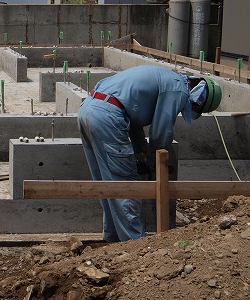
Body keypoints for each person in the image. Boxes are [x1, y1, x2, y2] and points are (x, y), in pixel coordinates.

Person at [78, 65, 222, 242]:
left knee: (106, 180)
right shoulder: (178, 89)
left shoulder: (165, 78)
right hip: (107, 116)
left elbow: (133, 121)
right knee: (125, 182)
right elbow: (161, 131)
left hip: (89, 108)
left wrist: (142, 153)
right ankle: (134, 241)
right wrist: (157, 160)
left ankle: (113, 234)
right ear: (199, 99)